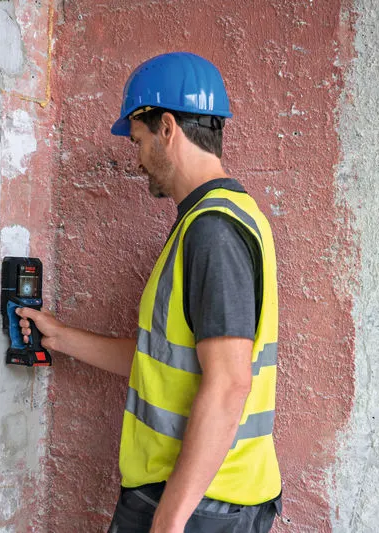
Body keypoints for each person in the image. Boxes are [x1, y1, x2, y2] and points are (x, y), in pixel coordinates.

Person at [17, 52, 282, 533]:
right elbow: (162, 361)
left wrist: (170, 518)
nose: (137, 159)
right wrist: (60, 337)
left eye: (138, 140)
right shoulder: (215, 220)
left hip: (199, 505)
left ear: (167, 128)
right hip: (200, 498)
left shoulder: (213, 231)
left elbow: (229, 384)